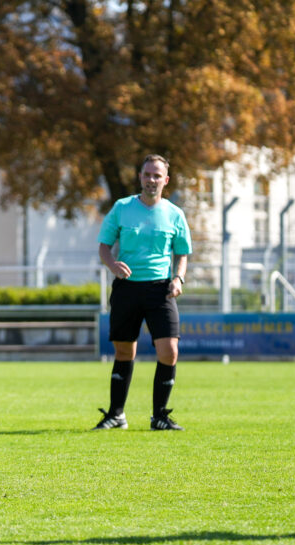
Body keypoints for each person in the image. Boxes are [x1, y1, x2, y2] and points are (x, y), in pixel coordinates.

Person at [94, 154, 192, 432]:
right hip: (127, 289)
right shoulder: (122, 208)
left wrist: (178, 277)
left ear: (166, 180)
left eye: (157, 176)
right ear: (140, 177)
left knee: (169, 351)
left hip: (160, 290)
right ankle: (116, 415)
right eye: (147, 174)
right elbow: (103, 246)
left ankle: (159, 416)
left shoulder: (174, 213)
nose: (151, 180)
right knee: (124, 350)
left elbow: (182, 252)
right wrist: (113, 264)